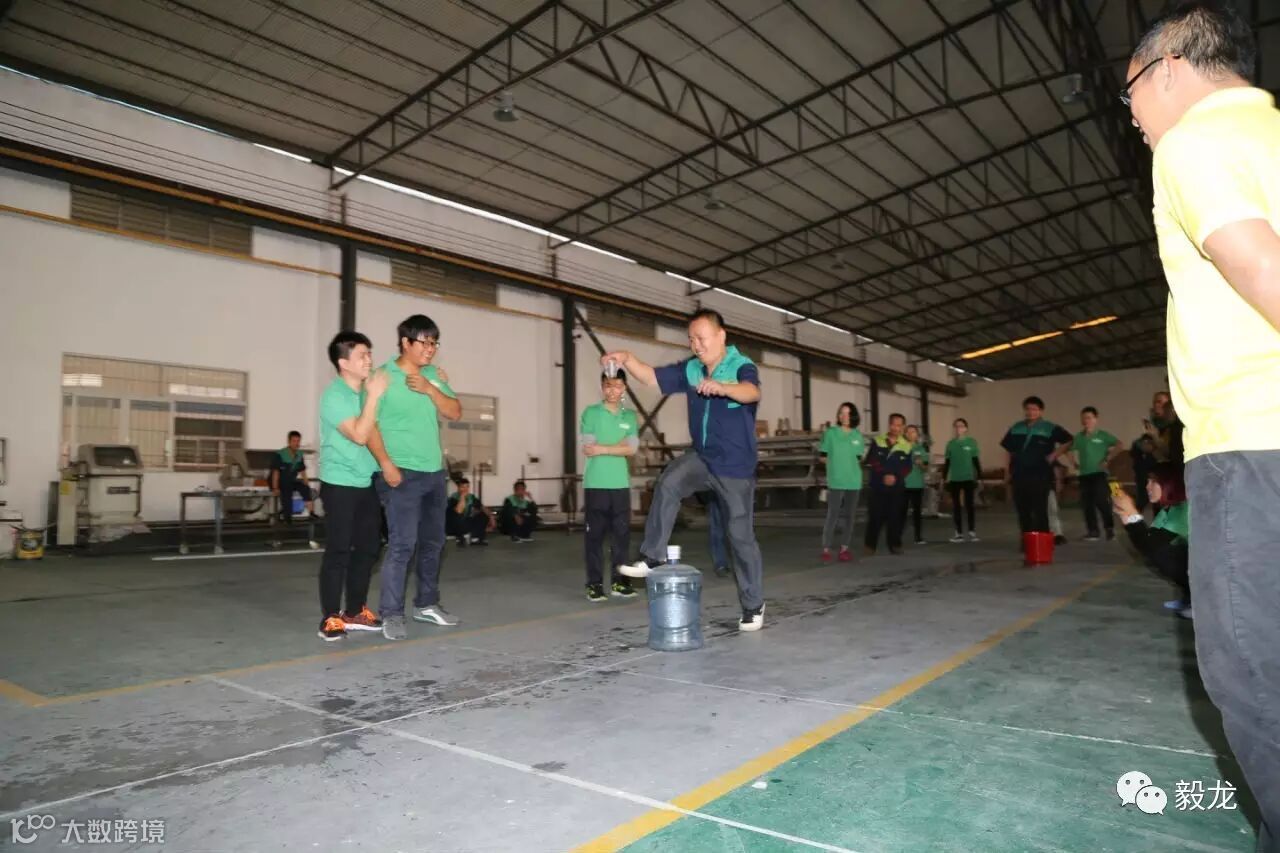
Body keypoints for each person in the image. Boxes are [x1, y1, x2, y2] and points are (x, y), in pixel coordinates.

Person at [1126, 5, 1280, 844]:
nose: (1134, 118)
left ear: (1170, 68)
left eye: (1129, 94)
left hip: (1252, 439)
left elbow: (1260, 263)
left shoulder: (1193, 143)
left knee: (1254, 673)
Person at [603, 309, 767, 632]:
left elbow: (752, 391)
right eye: (691, 339)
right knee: (669, 481)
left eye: (701, 338)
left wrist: (723, 387)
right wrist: (627, 358)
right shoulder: (692, 369)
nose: (696, 345)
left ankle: (754, 604)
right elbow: (652, 377)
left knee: (740, 538)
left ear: (721, 336)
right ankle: (653, 556)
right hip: (703, 457)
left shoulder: (740, 365)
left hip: (735, 466)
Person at [368, 314, 463, 640]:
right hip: (401, 474)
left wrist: (430, 389)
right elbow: (370, 426)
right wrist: (386, 464)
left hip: (434, 474)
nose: (431, 349)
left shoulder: (433, 375)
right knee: (402, 545)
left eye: (435, 343)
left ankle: (426, 604)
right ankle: (391, 613)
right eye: (425, 342)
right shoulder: (383, 376)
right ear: (405, 342)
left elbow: (454, 411)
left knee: (434, 543)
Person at [315, 332, 388, 642]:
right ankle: (330, 616)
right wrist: (373, 397)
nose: (369, 360)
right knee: (339, 550)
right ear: (343, 363)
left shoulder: (364, 393)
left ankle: (355, 610)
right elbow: (359, 434)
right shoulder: (334, 397)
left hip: (365, 480)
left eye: (370, 353)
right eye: (362, 355)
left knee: (370, 547)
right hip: (339, 483)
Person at [580, 369, 639, 601]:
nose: (612, 390)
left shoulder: (630, 416)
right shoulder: (591, 413)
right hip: (596, 483)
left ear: (624, 388)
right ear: (602, 387)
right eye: (607, 385)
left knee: (621, 536)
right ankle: (594, 584)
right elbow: (589, 447)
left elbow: (632, 449)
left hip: (620, 484)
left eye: (617, 385)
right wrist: (618, 446)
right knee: (594, 537)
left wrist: (603, 448)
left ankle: (620, 582)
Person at [1112, 463, 1191, 619]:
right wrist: (1126, 516)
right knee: (1157, 555)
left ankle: (1199, 602)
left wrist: (1132, 512)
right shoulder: (1168, 509)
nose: (1147, 486)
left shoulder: (1184, 509)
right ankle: (1190, 597)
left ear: (1170, 484)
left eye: (1153, 482)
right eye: (1147, 481)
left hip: (1219, 568)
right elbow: (1146, 543)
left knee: (1165, 555)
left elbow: (1155, 546)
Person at [1000, 396, 1073, 542]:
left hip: (1040, 476)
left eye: (1034, 409)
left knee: (1040, 510)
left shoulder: (1049, 427)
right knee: (1023, 511)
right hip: (1019, 475)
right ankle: (1027, 541)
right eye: (1028, 409)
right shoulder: (1016, 427)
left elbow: (1069, 440)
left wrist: (1054, 455)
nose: (1030, 412)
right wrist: (1007, 472)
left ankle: (1042, 543)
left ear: (1041, 411)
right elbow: (1008, 450)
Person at [818, 402, 866, 563]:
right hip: (836, 480)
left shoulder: (857, 436)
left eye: (848, 413)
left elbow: (859, 458)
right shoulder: (830, 433)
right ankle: (826, 548)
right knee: (833, 514)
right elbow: (823, 456)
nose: (844, 416)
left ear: (853, 416)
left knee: (850, 515)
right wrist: (833, 465)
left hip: (853, 480)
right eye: (841, 413)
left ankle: (844, 548)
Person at [863, 413, 914, 556]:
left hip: (897, 487)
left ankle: (895, 544)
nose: (896, 428)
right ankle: (870, 545)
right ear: (890, 425)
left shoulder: (906, 446)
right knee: (875, 516)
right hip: (878, 486)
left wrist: (895, 476)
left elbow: (907, 467)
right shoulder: (878, 441)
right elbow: (872, 460)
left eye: (899, 425)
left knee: (895, 517)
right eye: (894, 424)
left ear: (903, 427)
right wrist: (884, 474)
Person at [1071, 406, 1121, 541]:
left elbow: (1119, 444)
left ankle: (1109, 529)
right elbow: (1068, 448)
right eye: (1084, 418)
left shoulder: (1103, 435)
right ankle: (1093, 531)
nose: (1086, 421)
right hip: (1084, 474)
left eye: (1089, 418)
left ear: (1095, 419)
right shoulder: (1079, 437)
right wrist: (1073, 462)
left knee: (1102, 501)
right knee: (1087, 503)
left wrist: (1108, 459)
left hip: (1099, 473)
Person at [943, 418, 981, 543]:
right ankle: (958, 533)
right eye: (956, 426)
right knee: (956, 506)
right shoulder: (950, 444)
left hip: (968, 477)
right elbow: (947, 463)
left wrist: (980, 477)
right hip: (955, 479)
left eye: (961, 426)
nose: (958, 428)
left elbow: (975, 460)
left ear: (966, 428)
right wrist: (944, 478)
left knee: (969, 505)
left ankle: (972, 531)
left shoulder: (972, 442)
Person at [271, 430, 314, 522]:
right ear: (289, 441)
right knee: (286, 494)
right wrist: (275, 488)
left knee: (306, 489)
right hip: (281, 481)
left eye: (298, 441)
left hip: (291, 480)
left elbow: (302, 470)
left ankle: (311, 513)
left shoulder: (299, 454)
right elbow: (275, 472)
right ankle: (287, 519)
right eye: (294, 441)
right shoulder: (280, 454)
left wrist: (306, 483)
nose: (296, 443)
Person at [902, 425, 929, 546]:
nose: (910, 434)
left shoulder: (921, 449)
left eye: (913, 432)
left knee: (917, 512)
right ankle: (897, 537)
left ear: (917, 434)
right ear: (905, 434)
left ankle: (918, 537)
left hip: (917, 485)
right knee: (901, 512)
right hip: (903, 485)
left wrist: (920, 464)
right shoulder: (901, 448)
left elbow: (925, 467)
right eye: (908, 432)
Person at [446, 478, 492, 547]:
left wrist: (491, 517)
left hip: (465, 522)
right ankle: (460, 538)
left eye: (467, 487)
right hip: (454, 525)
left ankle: (475, 539)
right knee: (459, 516)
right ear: (458, 488)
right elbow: (459, 511)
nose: (465, 489)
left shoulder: (471, 497)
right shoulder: (453, 498)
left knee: (483, 516)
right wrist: (462, 497)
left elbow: (482, 507)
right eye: (463, 487)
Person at [1129, 434, 1158, 512]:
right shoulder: (1137, 447)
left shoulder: (1155, 448)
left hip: (1152, 475)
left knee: (1156, 498)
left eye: (1148, 443)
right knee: (1141, 498)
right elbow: (1132, 454)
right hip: (1141, 476)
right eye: (1144, 443)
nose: (1146, 445)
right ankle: (1137, 514)